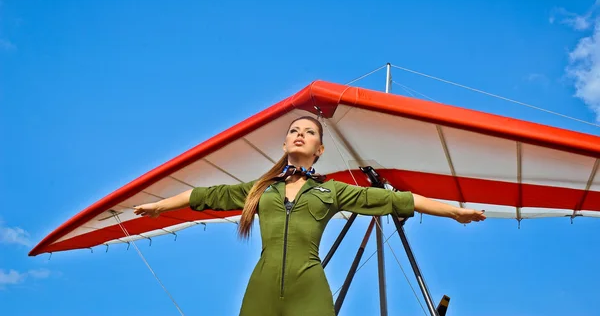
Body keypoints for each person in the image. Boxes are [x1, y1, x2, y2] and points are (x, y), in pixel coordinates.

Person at [134, 116, 485, 316]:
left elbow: (397, 201)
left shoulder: (331, 190)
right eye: (294, 131)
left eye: (310, 132)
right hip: (262, 289)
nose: (300, 135)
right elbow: (204, 195)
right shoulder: (261, 189)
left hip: (309, 290)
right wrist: (158, 206)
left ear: (320, 150)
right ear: (285, 144)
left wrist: (454, 212)